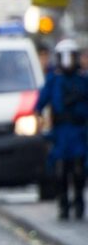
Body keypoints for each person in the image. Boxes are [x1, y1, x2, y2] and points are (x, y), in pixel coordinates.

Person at [35, 39, 88, 220]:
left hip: (79, 131)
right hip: (60, 132)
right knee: (61, 170)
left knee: (80, 170)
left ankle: (79, 200)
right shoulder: (54, 80)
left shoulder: (83, 80)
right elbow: (40, 103)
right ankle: (63, 202)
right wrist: (41, 123)